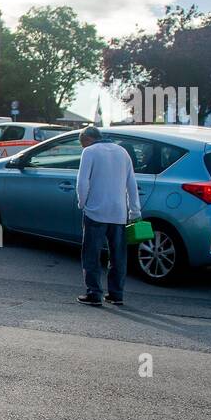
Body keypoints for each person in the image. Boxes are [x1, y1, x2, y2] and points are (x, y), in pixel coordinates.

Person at [75, 126, 140, 308]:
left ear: (87, 139)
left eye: (82, 143)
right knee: (118, 255)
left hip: (95, 212)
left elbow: (82, 181)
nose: (82, 147)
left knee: (91, 255)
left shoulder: (89, 152)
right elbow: (131, 183)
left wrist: (83, 203)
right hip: (119, 213)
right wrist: (135, 211)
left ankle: (94, 294)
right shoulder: (122, 152)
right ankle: (116, 294)